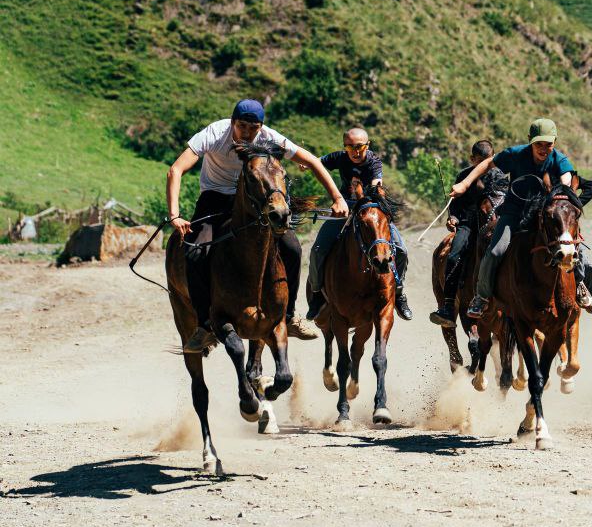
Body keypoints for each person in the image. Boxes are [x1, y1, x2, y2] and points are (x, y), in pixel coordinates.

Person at [167, 98, 348, 352]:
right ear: (232, 123)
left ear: (261, 127)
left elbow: (312, 161)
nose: (248, 133)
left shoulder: (268, 138)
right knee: (195, 252)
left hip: (255, 199)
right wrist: (175, 214)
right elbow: (175, 170)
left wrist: (338, 198)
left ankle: (289, 317)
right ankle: (205, 325)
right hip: (216, 198)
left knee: (293, 248)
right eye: (242, 126)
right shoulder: (214, 134)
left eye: (254, 128)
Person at [450, 118, 592, 323]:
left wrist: (564, 191)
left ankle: (582, 289)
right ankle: (481, 297)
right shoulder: (515, 154)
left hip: (545, 217)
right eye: (538, 144)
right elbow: (488, 163)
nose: (543, 149)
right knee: (495, 251)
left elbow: (566, 179)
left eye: (548, 144)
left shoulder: (559, 161)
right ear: (530, 141)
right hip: (514, 213)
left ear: (554, 142)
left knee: (573, 249)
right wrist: (464, 183)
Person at [305, 126, 413, 322]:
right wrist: (306, 164)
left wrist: (368, 196)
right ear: (344, 147)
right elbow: (317, 162)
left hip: (370, 209)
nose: (355, 151)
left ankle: (398, 292)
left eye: (359, 147)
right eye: (349, 147)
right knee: (317, 250)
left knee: (401, 249)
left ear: (367, 145)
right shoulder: (340, 157)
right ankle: (317, 295)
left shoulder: (374, 161)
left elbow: (376, 183)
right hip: (344, 207)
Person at [429, 139, 498, 328]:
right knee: (453, 255)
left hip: (492, 225)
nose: (484, 164)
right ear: (472, 159)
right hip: (468, 225)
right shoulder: (463, 175)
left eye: (488, 159)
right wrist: (454, 219)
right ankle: (449, 305)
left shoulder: (499, 176)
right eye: (479, 160)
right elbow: (456, 207)